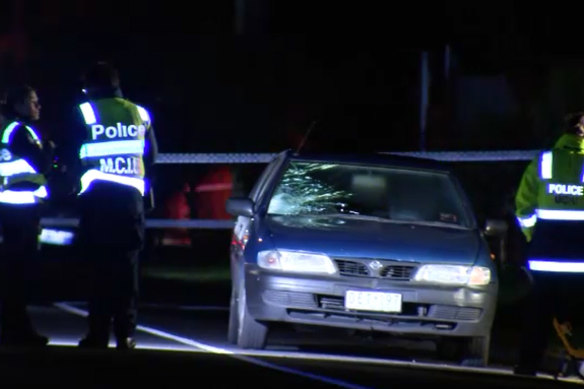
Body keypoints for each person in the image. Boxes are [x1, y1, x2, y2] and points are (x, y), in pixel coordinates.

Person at [69, 62, 158, 349]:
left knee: (98, 270)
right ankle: (126, 334)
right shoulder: (139, 112)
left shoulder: (85, 111)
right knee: (126, 270)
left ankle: (97, 334)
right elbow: (152, 155)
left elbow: (73, 152)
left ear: (91, 87)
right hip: (131, 202)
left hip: (97, 200)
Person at [514, 111, 584, 375]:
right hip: (580, 260)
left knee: (538, 314)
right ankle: (577, 362)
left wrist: (534, 236)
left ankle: (527, 366)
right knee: (578, 315)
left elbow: (523, 208)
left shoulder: (543, 162)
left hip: (545, 256)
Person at [0, 84, 54, 347]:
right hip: (19, 211)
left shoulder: (6, 128)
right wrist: (50, 152)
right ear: (19, 104)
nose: (38, 106)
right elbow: (42, 164)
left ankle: (15, 328)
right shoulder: (19, 132)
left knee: (11, 273)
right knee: (17, 275)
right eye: (33, 101)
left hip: (9, 210)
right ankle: (18, 331)